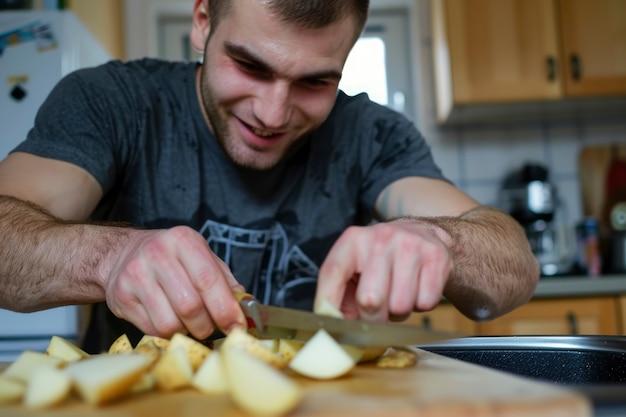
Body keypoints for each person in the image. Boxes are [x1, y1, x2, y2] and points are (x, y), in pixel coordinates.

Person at [0, 0, 539, 353]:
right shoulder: (109, 102)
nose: (273, 113)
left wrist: (441, 240)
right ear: (203, 22)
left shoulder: (372, 134)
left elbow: (514, 264)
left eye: (314, 82)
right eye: (251, 66)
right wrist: (109, 258)